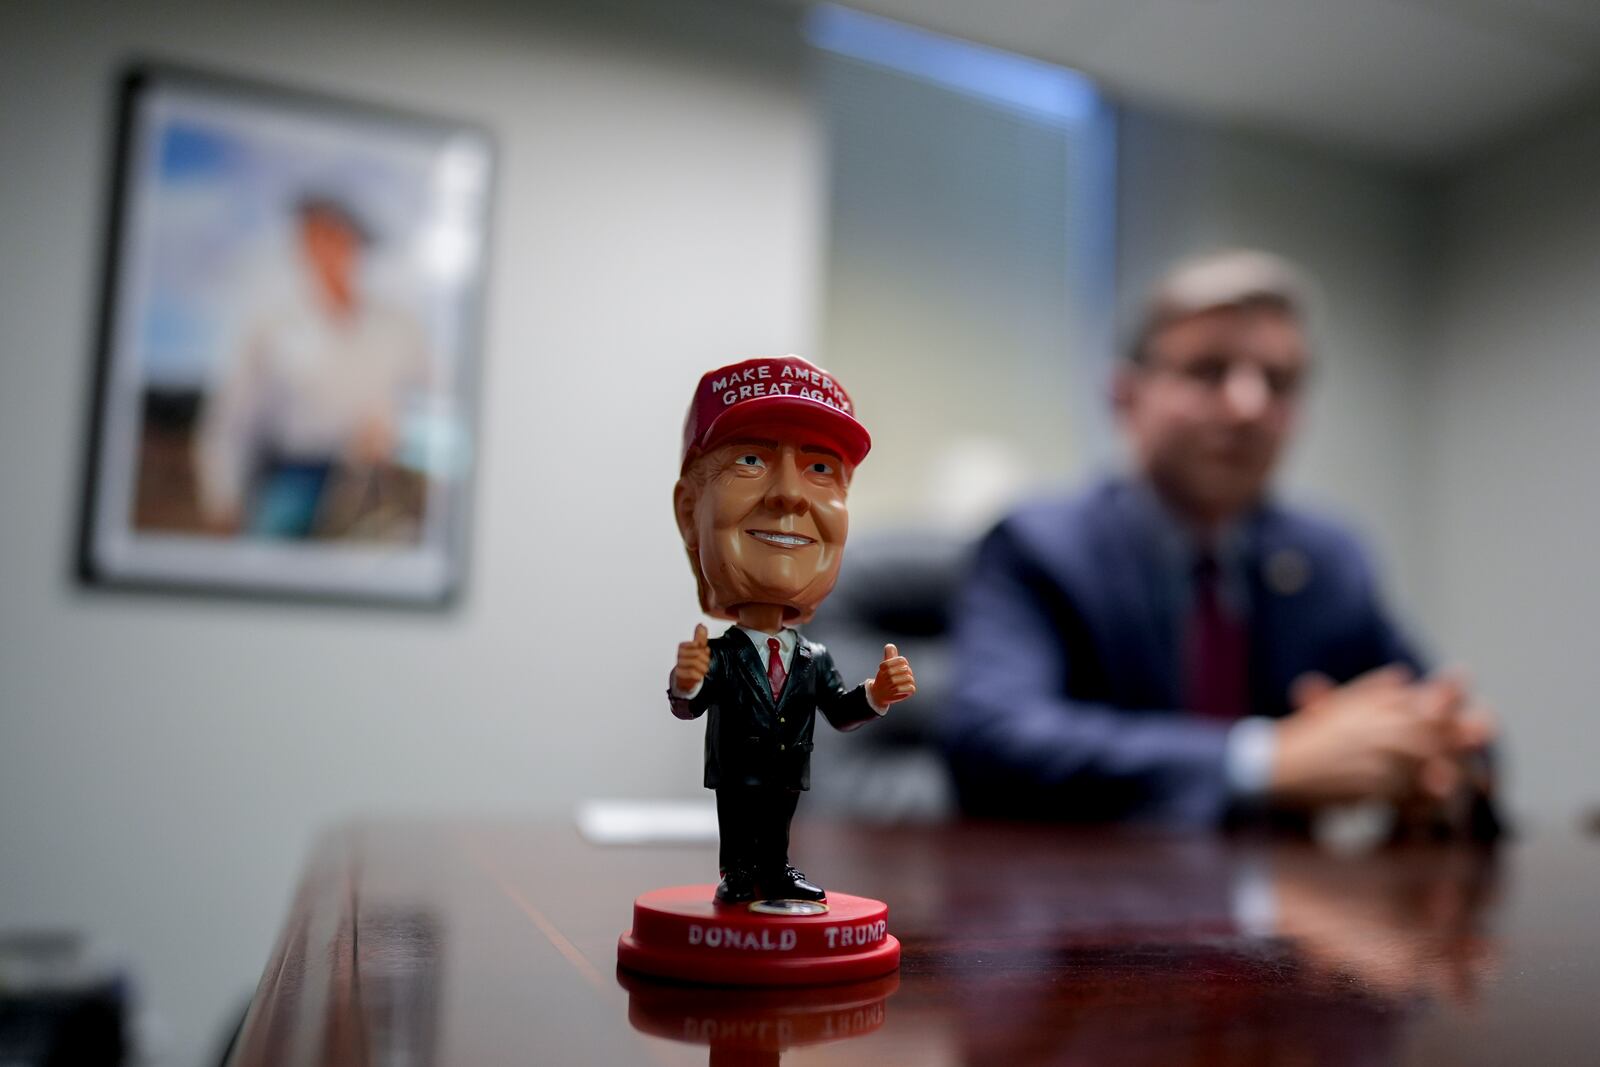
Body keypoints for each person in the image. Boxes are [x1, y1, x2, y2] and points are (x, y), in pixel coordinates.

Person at [944, 250, 1497, 831]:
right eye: (1208, 371)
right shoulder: (1038, 545)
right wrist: (1263, 760)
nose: (1248, 406)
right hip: (1084, 906)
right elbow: (992, 742)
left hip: (1294, 911)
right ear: (1125, 397)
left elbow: (1448, 727)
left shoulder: (1329, 559)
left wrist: (1441, 762)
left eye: (1279, 382)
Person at [668, 355, 917, 904]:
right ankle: (738, 872)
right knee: (740, 822)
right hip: (737, 770)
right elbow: (692, 705)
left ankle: (775, 870)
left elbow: (838, 710)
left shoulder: (813, 656)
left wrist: (875, 696)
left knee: (779, 823)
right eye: (752, 459)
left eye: (821, 468)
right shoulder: (725, 653)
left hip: (787, 766)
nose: (790, 495)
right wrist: (686, 683)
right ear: (691, 512)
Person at [195, 192, 431, 539]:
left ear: (356, 243)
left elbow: (435, 405)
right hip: (296, 480)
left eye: (336, 235)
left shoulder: (398, 327)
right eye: (314, 236)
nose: (326, 248)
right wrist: (222, 495)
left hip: (380, 484)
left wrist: (400, 432)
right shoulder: (272, 326)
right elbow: (233, 418)